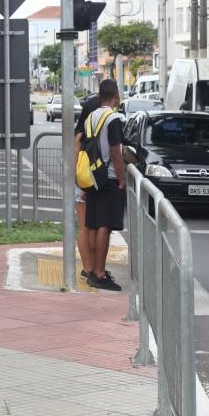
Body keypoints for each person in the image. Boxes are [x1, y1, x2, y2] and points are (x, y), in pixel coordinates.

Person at [80, 79, 126, 291]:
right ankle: (99, 273)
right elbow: (116, 152)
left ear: (100, 96)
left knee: (92, 224)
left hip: (91, 177)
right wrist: (122, 178)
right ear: (115, 96)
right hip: (108, 178)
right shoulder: (113, 118)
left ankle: (91, 271)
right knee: (105, 227)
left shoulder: (91, 118)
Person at [73, 93, 101, 281]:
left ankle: (88, 268)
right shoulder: (96, 132)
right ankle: (93, 269)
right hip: (93, 184)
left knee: (85, 227)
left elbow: (74, 160)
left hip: (80, 183)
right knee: (94, 228)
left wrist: (78, 184)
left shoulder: (79, 135)